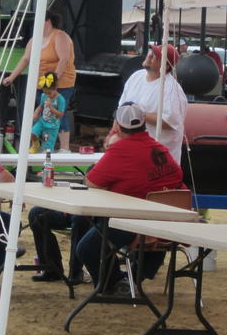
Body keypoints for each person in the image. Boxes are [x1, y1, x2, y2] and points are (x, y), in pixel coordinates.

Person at [76, 102, 186, 291]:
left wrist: (112, 151)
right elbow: (178, 177)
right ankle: (134, 277)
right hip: (167, 223)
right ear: (144, 123)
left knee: (85, 248)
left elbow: (91, 183)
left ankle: (113, 285)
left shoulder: (121, 151)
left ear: (117, 126)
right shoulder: (159, 148)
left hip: (134, 223)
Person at [2, 10, 75, 151]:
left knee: (58, 111)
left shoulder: (60, 36)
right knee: (43, 112)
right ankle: (42, 145)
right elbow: (25, 59)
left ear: (47, 21)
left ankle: (65, 148)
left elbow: (64, 59)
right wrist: (11, 77)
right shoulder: (34, 39)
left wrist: (54, 80)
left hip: (62, 82)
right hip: (42, 84)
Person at [110, 43, 187, 163]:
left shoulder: (172, 89)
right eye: (151, 52)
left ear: (165, 66)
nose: (149, 56)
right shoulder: (136, 77)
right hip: (132, 150)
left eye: (155, 57)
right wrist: (113, 132)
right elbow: (121, 108)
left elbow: (169, 121)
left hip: (158, 158)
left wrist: (137, 115)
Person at [31, 73, 65, 153]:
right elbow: (41, 106)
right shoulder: (44, 95)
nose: (47, 95)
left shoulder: (60, 100)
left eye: (49, 93)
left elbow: (61, 115)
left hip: (51, 126)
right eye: (45, 92)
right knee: (33, 133)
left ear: (56, 87)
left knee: (47, 147)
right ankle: (36, 146)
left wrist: (51, 108)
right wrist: (36, 112)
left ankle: (47, 160)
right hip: (42, 122)